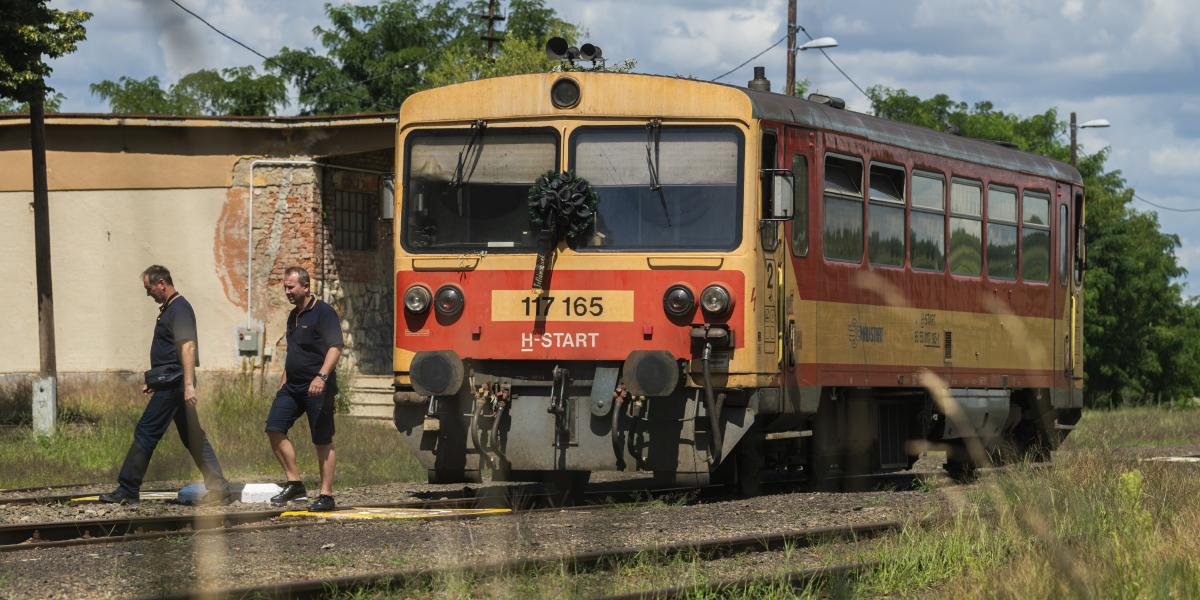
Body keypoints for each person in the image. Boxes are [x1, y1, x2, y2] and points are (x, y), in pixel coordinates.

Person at [100, 265, 230, 505]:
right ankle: (219, 488)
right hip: (170, 382)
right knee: (194, 437)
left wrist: (189, 385)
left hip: (176, 385)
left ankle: (128, 488)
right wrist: (155, 382)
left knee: (146, 431)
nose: (148, 294)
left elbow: (187, 347)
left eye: (149, 288)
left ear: (162, 283)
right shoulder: (170, 309)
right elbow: (169, 351)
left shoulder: (179, 308)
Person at [265, 266, 344, 512]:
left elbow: (335, 347)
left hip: (318, 386)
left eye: (291, 287)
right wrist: (284, 380)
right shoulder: (293, 316)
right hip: (292, 387)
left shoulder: (324, 312)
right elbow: (294, 350)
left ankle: (326, 495)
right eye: (285, 287)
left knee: (322, 439)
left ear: (306, 287)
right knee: (274, 428)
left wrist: (321, 376)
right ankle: (295, 483)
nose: (287, 291)